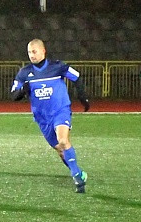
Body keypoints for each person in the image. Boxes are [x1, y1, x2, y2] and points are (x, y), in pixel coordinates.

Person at [10, 38, 90, 193]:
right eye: (29, 52)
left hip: (60, 110)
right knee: (60, 150)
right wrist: (23, 90)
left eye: (34, 51)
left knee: (63, 140)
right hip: (42, 117)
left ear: (43, 51)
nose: (31, 55)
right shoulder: (24, 72)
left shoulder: (57, 66)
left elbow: (77, 77)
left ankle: (77, 178)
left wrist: (83, 97)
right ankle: (78, 171)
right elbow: (13, 96)